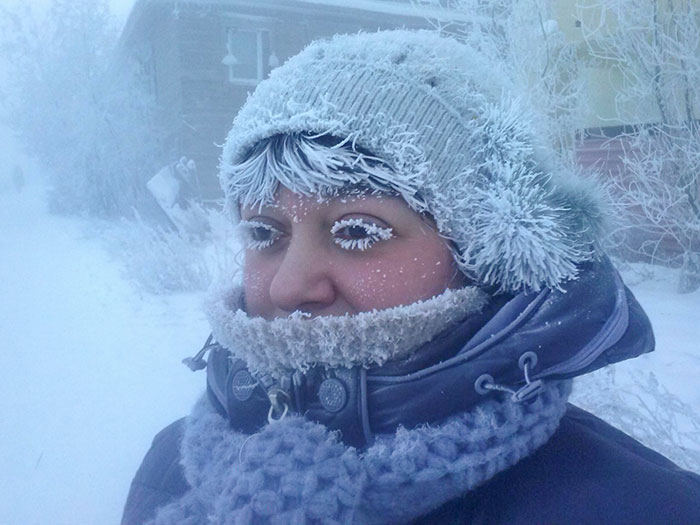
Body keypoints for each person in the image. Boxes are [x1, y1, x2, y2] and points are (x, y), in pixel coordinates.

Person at [122, 30, 700, 524]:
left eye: (357, 231)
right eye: (264, 234)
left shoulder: (636, 506)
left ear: (478, 259)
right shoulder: (168, 468)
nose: (287, 287)